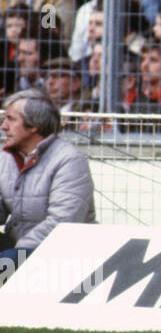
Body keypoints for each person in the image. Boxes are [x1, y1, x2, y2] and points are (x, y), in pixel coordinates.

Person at [0, 89, 96, 273]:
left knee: (7, 262)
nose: (4, 126)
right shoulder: (5, 158)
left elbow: (63, 222)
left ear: (33, 125)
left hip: (63, 252)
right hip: (18, 248)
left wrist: (17, 250)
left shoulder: (69, 159)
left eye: (11, 119)